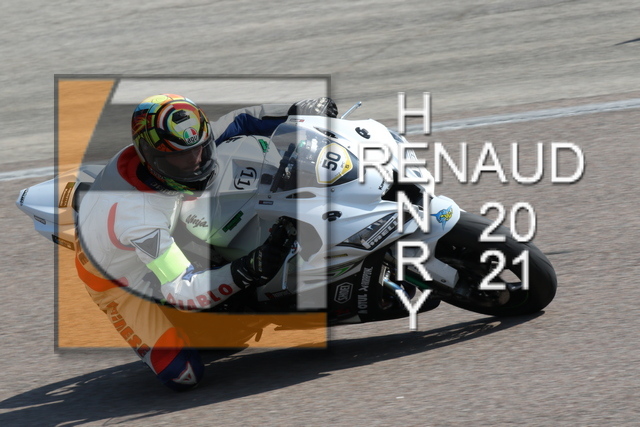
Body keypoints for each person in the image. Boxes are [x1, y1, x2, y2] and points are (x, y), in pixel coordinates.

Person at [74, 94, 338, 391]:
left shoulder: (178, 141)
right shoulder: (139, 220)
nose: (196, 162)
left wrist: (298, 110)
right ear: (152, 157)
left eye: (200, 149)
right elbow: (181, 289)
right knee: (183, 375)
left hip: (165, 212)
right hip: (117, 280)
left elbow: (241, 120)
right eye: (181, 158)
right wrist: (246, 269)